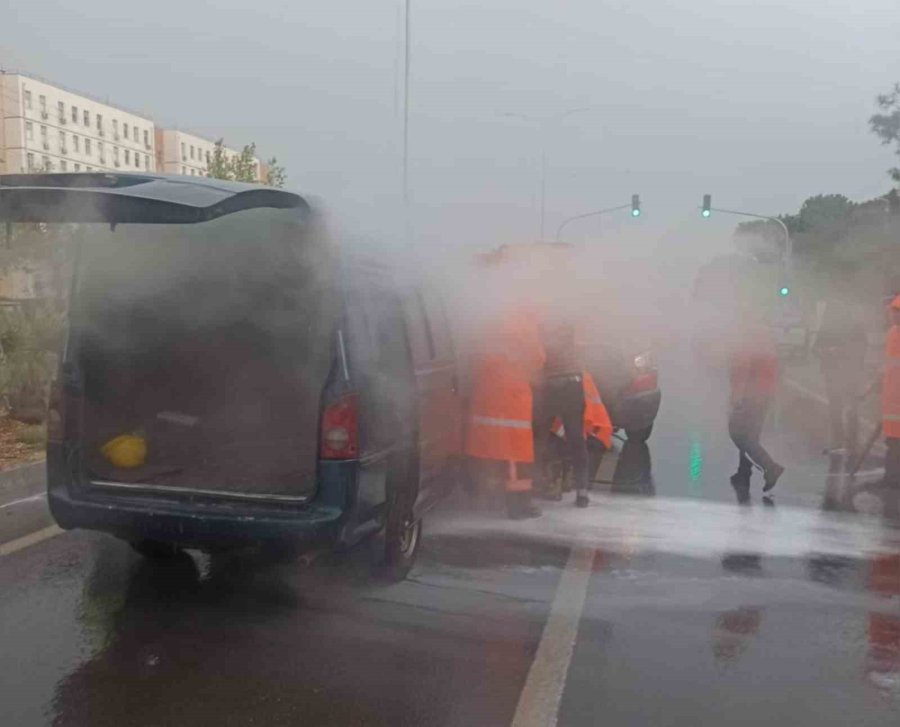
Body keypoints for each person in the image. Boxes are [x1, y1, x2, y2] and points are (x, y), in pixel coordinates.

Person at [465, 307, 546, 520]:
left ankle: (488, 499)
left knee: (492, 448)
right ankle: (518, 506)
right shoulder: (524, 322)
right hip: (513, 396)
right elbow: (538, 359)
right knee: (517, 454)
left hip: (485, 394)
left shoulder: (485, 318)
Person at [533, 319, 591, 508]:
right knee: (576, 438)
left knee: (540, 437)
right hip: (572, 384)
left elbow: (535, 358)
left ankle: (538, 483)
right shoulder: (568, 326)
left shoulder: (539, 325)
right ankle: (582, 493)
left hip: (549, 385)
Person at [728, 320, 784, 499]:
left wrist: (736, 398)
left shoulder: (748, 350)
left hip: (749, 398)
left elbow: (742, 373)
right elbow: (774, 377)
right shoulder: (769, 351)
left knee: (738, 434)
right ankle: (743, 472)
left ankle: (770, 467)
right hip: (764, 398)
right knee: (751, 434)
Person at [811, 292, 868, 455]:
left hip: (850, 373)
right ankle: (838, 440)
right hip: (832, 374)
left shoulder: (855, 327)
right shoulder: (827, 328)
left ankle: (852, 442)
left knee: (851, 408)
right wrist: (825, 352)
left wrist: (841, 352)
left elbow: (861, 348)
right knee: (835, 408)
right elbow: (815, 348)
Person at [878, 295, 900, 519]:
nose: (892, 315)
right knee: (892, 442)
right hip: (892, 400)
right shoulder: (892, 334)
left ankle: (893, 479)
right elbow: (889, 366)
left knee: (896, 444)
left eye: (896, 311)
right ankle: (891, 478)